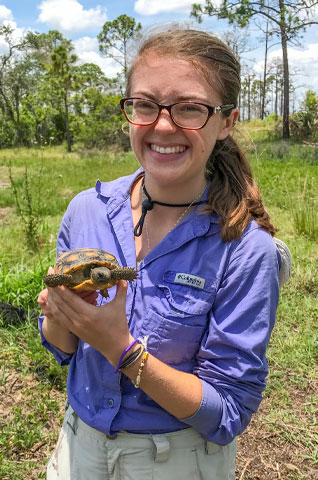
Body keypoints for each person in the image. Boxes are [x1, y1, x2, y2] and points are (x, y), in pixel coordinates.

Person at [38, 28, 289, 480]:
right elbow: (61, 350)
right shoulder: (86, 210)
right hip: (79, 444)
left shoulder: (246, 249)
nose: (163, 125)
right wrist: (59, 315)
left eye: (190, 108)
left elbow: (228, 411)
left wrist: (121, 348)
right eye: (146, 105)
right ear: (130, 111)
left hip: (175, 461)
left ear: (226, 121)